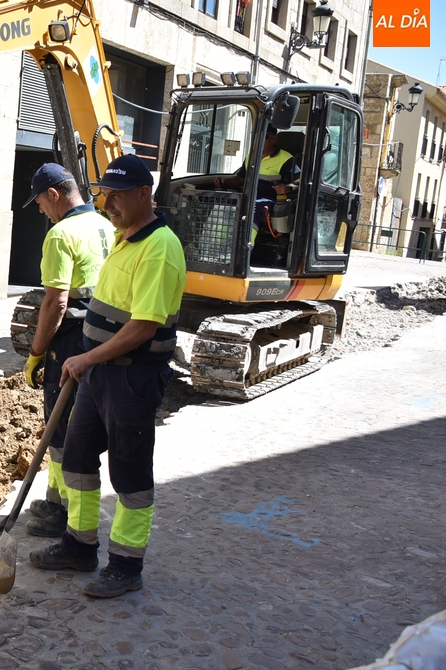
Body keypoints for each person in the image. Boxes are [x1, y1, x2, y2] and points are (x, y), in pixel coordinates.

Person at [29, 154, 186, 599]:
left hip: (132, 377)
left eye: (117, 196)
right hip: (98, 372)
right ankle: (79, 546)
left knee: (129, 473)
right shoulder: (124, 236)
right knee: (76, 458)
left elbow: (143, 326)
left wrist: (85, 357)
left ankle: (125, 565)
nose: (108, 203)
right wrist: (87, 359)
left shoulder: (160, 247)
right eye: (104, 194)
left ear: (144, 194)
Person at [19, 162, 114, 538]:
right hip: (102, 336)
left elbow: (55, 304)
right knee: (72, 426)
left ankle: (69, 519)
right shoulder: (107, 225)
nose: (40, 209)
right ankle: (56, 500)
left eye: (40, 202)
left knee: (63, 430)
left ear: (54, 195)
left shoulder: (61, 235)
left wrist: (36, 353)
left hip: (72, 339)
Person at [213, 127, 299, 237]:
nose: (259, 140)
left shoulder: (285, 159)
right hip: (248, 196)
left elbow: (299, 182)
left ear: (274, 138)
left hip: (269, 200)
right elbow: (240, 179)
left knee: (252, 207)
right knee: (221, 203)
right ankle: (216, 241)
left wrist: (288, 188)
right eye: (257, 137)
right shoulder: (251, 157)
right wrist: (223, 182)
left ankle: (246, 247)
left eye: (265, 137)